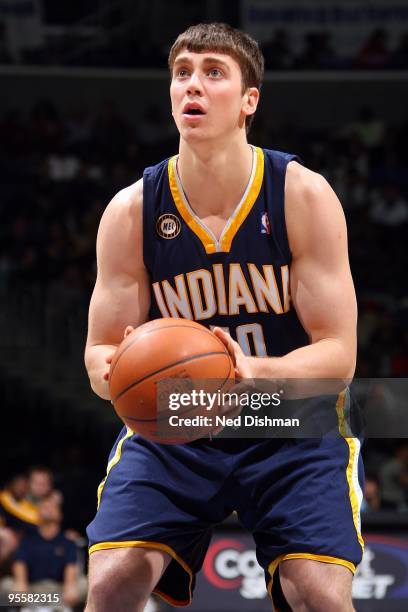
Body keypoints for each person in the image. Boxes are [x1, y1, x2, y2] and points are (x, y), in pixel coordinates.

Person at [85, 23, 363, 611]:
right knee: (110, 584)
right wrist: (120, 366)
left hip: (285, 416)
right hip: (179, 419)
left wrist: (248, 370)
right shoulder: (132, 210)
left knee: (317, 595)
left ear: (248, 101)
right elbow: (99, 351)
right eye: (182, 72)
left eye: (214, 73)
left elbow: (338, 354)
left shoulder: (301, 195)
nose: (194, 85)